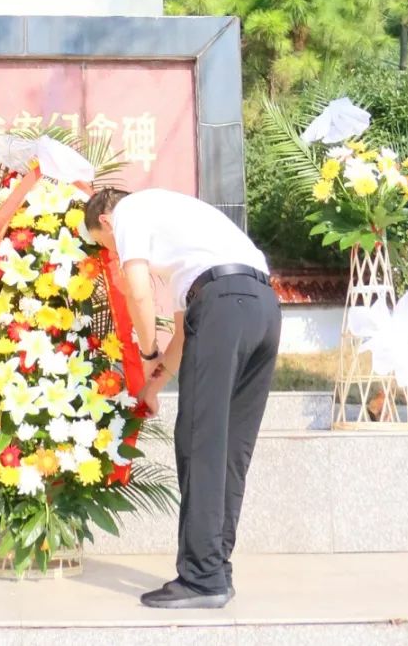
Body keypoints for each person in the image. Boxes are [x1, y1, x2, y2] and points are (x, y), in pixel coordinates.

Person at [84, 185, 280, 610]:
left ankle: (201, 578)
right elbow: (184, 335)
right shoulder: (186, 237)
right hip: (263, 307)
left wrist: (146, 349)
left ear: (105, 221)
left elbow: (137, 292)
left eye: (109, 247)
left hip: (224, 306)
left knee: (200, 442)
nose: (116, 254)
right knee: (229, 448)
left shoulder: (129, 210)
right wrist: (152, 387)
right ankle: (216, 569)